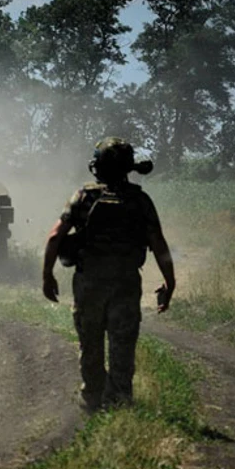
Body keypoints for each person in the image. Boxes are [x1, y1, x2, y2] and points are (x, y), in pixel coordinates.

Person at [42, 137, 176, 411]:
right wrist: (169, 282)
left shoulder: (83, 196)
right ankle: (120, 403)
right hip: (126, 283)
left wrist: (47, 274)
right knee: (122, 347)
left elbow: (55, 236)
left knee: (90, 344)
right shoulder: (140, 200)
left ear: (98, 166)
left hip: (88, 282)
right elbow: (159, 244)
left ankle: (92, 398)